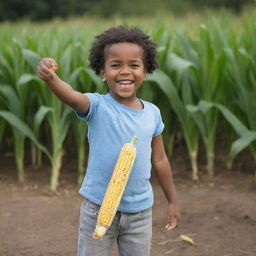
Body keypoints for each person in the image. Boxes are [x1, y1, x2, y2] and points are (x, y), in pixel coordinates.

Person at [37, 25, 180, 256]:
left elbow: (160, 159)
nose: (125, 71)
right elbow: (71, 96)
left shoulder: (152, 113)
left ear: (145, 71)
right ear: (103, 72)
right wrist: (51, 78)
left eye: (134, 65)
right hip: (98, 209)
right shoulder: (97, 106)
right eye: (115, 65)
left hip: (140, 213)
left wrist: (172, 200)